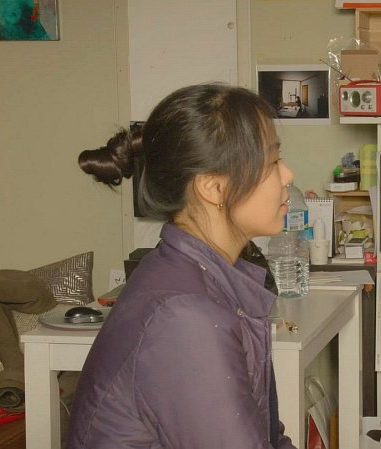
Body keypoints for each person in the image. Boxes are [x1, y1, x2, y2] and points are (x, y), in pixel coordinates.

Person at [68, 83, 297, 449]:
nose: (287, 175)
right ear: (213, 188)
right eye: (271, 162)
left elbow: (269, 437)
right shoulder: (185, 317)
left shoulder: (199, 275)